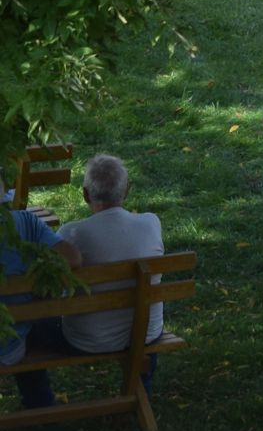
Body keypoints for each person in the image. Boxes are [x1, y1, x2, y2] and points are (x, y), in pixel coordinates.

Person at [58, 155, 167, 363]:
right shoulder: (151, 223)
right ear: (126, 190)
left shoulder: (71, 234)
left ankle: (40, 396)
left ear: (85, 195)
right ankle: (140, 386)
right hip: (147, 334)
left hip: (87, 340)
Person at [4, 187, 85, 411]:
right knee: (33, 321)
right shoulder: (24, 222)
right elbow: (73, 258)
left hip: (12, 340)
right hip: (10, 345)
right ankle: (39, 402)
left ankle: (39, 401)